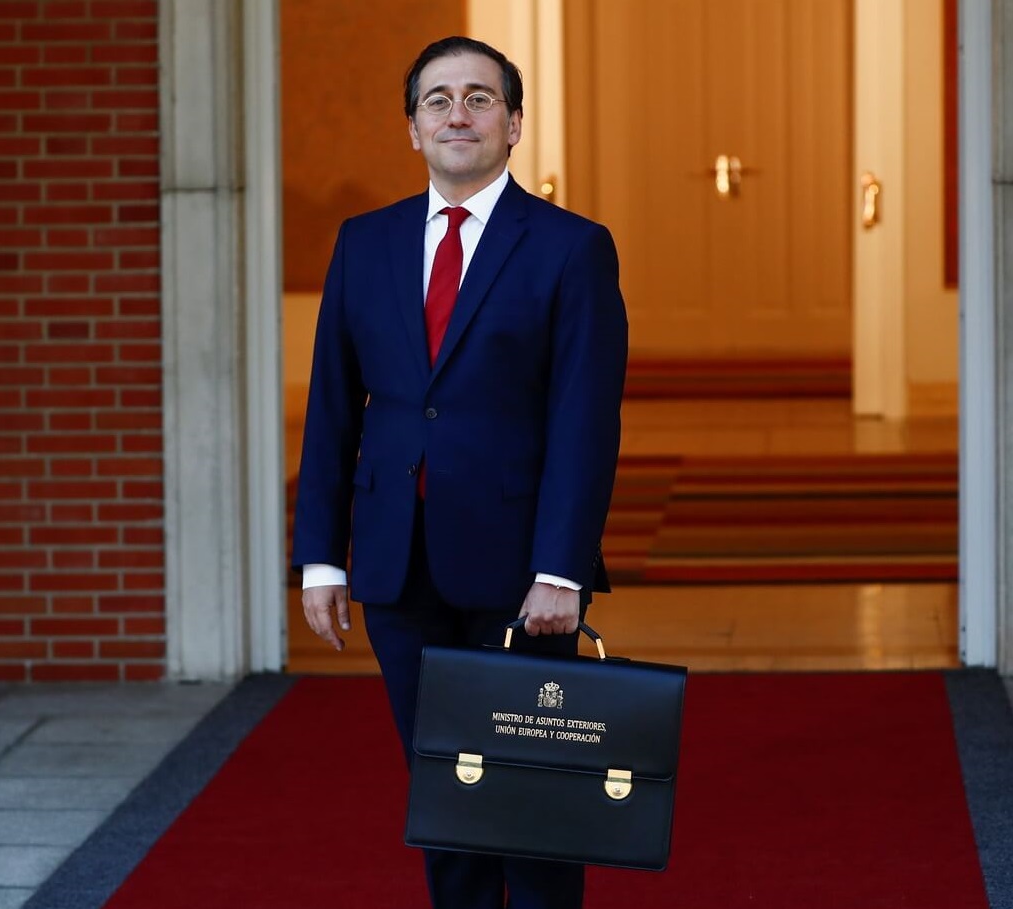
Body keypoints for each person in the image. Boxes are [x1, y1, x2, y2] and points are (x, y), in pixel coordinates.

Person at [291, 35, 628, 909]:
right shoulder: (364, 243)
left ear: (513, 124)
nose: (458, 114)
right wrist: (321, 555)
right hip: (398, 564)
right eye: (437, 100)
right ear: (412, 128)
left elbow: (585, 422)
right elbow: (333, 405)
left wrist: (561, 568)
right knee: (444, 784)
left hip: (521, 572)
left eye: (480, 98)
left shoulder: (571, 248)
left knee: (532, 789)